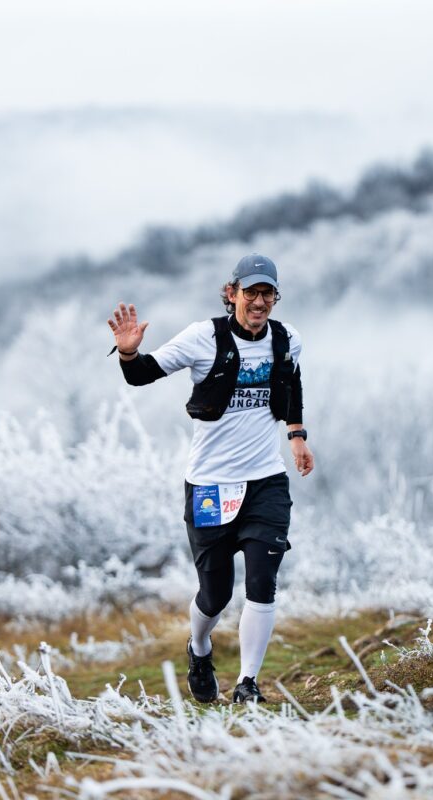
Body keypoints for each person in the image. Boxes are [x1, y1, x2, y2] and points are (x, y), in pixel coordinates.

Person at [106, 253, 314, 704]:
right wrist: (128, 351)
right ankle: (199, 649)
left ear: (275, 297)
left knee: (263, 578)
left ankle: (247, 684)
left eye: (267, 293)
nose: (259, 302)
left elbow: (291, 384)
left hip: (265, 480)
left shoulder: (287, 339)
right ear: (231, 293)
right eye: (250, 292)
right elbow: (143, 375)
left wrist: (296, 436)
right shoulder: (204, 338)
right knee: (215, 593)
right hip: (210, 484)